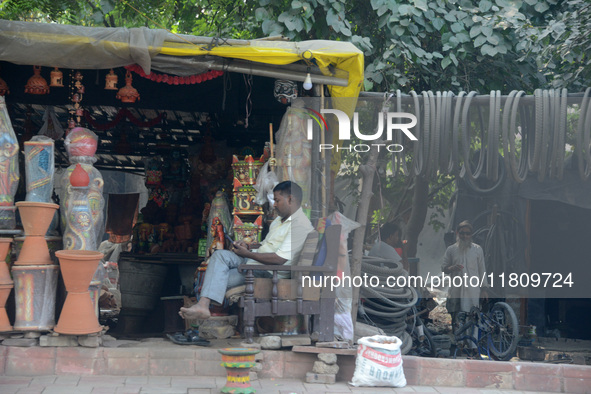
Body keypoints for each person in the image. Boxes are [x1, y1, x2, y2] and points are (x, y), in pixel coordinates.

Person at [179, 181, 313, 321]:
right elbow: (266, 245)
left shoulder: (299, 226)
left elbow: (279, 259)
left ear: (291, 199)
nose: (274, 205)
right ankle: (203, 306)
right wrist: (248, 247)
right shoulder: (279, 221)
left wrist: (247, 254)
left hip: (268, 273)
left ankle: (203, 307)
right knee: (220, 255)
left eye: (277, 200)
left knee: (212, 277)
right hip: (254, 263)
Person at [441, 220, 488, 330]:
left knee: (473, 319)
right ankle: (459, 345)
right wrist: (451, 268)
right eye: (462, 233)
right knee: (457, 319)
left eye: (467, 233)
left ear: (471, 235)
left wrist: (484, 289)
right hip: (456, 290)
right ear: (457, 233)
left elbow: (482, 270)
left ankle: (473, 346)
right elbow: (444, 268)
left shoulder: (477, 250)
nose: (465, 236)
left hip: (473, 291)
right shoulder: (451, 249)